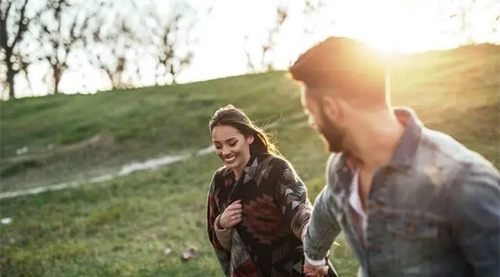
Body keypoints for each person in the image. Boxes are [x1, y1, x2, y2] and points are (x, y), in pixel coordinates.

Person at [288, 36, 500, 277]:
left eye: (310, 113)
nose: (311, 122)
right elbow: (326, 209)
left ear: (332, 109)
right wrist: (313, 258)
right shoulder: (341, 169)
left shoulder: (463, 181)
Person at [206, 105, 338, 277]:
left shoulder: (274, 169)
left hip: (293, 269)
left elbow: (299, 210)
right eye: (218, 146)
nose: (225, 152)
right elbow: (216, 239)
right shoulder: (219, 182)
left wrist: (313, 243)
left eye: (232, 143)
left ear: (249, 137)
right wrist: (222, 225)